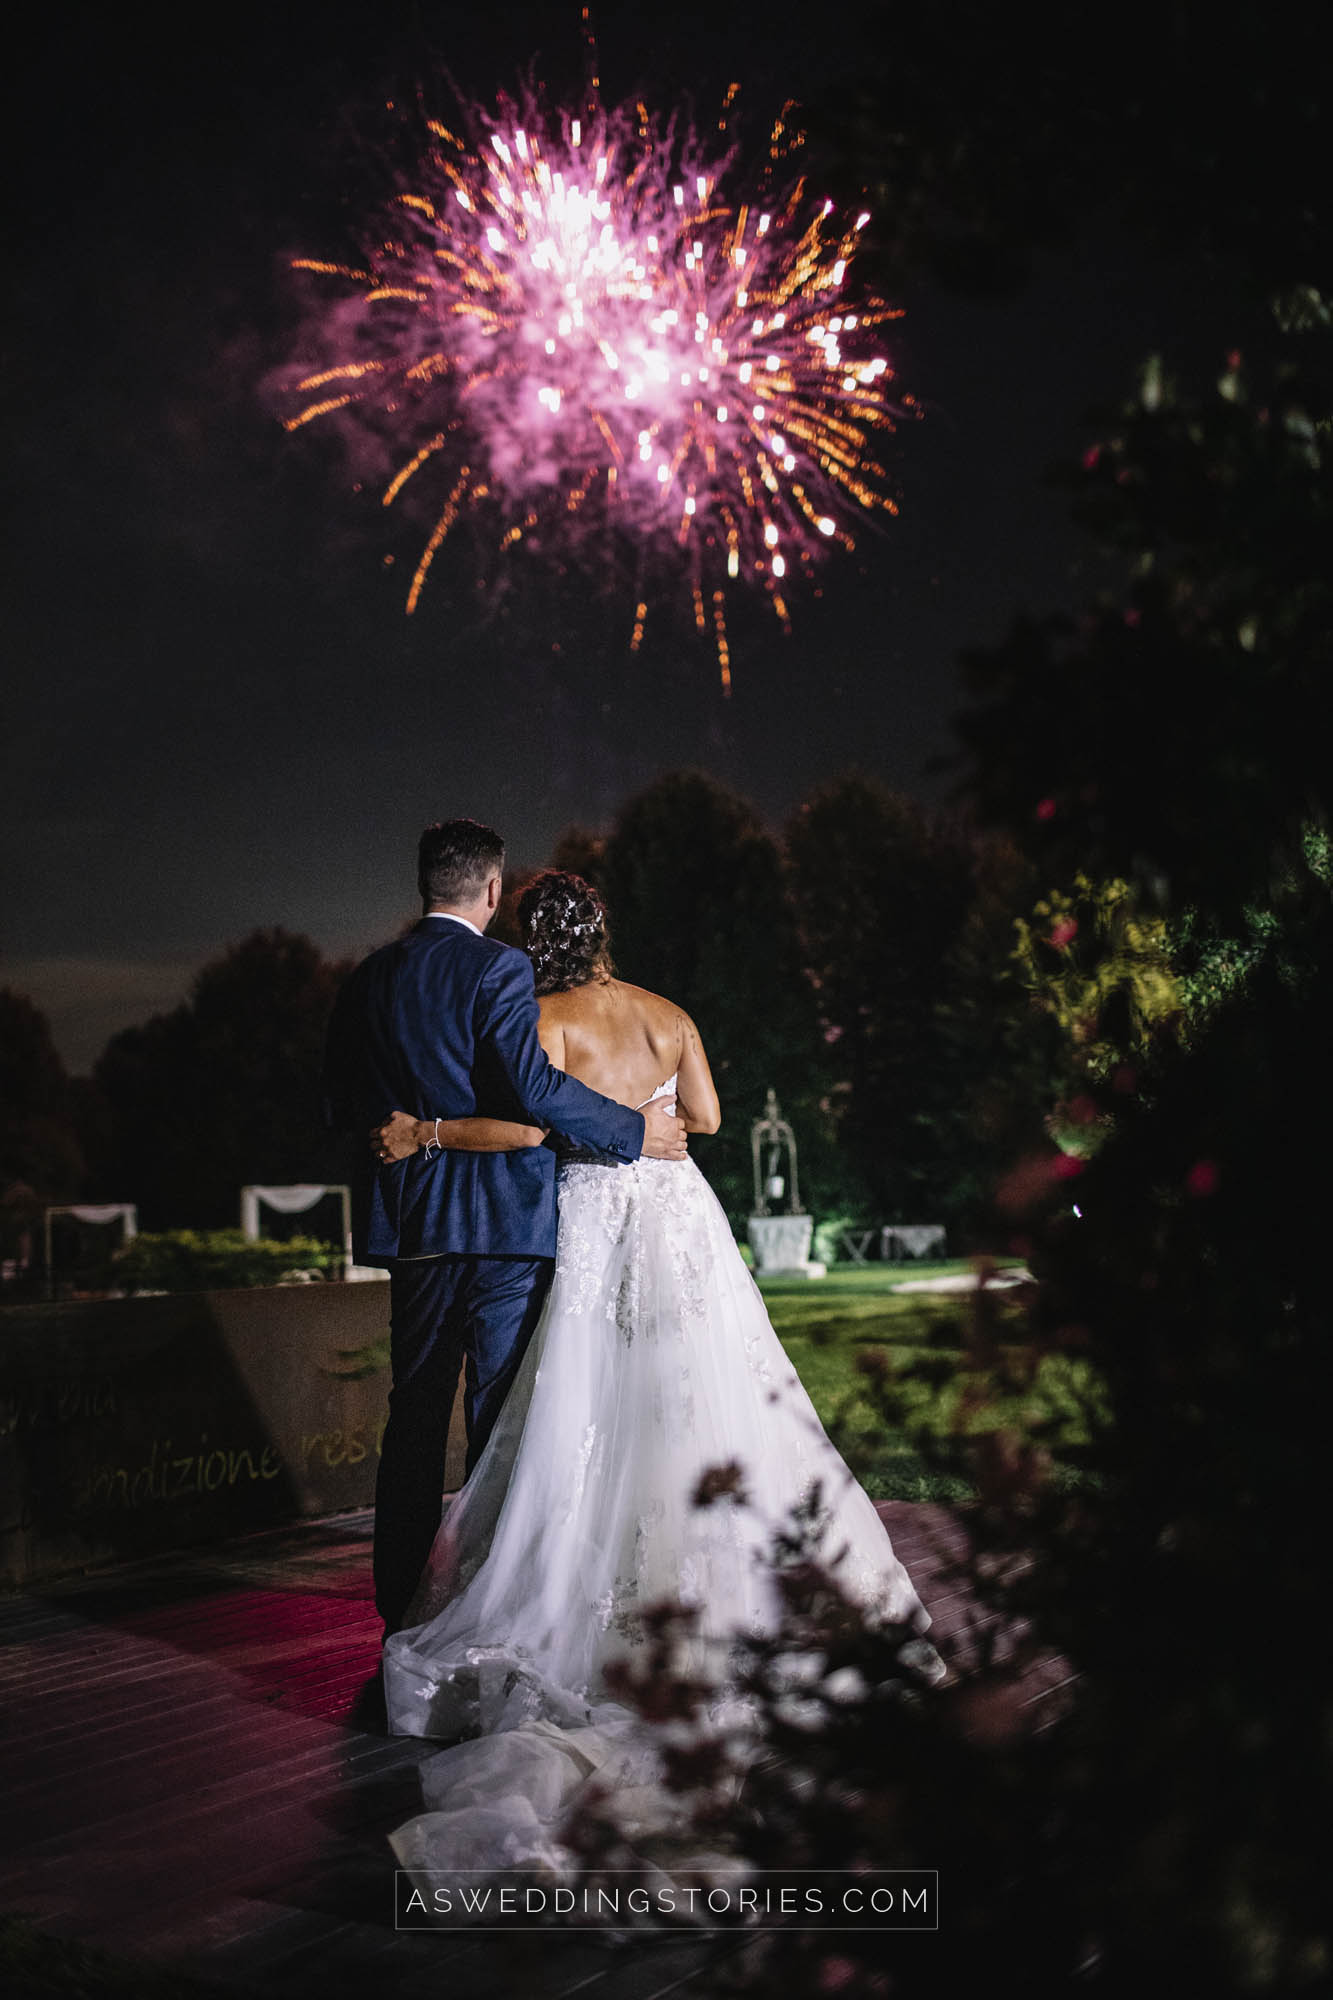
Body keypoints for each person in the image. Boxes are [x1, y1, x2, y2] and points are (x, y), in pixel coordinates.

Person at [371, 870, 945, 1885]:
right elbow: (712, 1118)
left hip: (595, 1213)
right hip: (681, 1216)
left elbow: (537, 1127)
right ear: (604, 930)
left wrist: (431, 1131)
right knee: (704, 1388)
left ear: (535, 941)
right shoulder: (670, 1012)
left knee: (589, 1400)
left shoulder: (541, 1019)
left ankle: (606, 1578)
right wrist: (657, 1108)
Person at [320, 822, 688, 1639]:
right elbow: (529, 1087)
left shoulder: (369, 977)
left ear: (426, 886)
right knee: (498, 1410)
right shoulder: (501, 966)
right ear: (491, 891)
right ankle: (495, 1597)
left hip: (415, 1218)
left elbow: (337, 1101)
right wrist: (632, 1131)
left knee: (413, 1408)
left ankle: (399, 1603)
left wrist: (406, 1129)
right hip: (505, 1223)